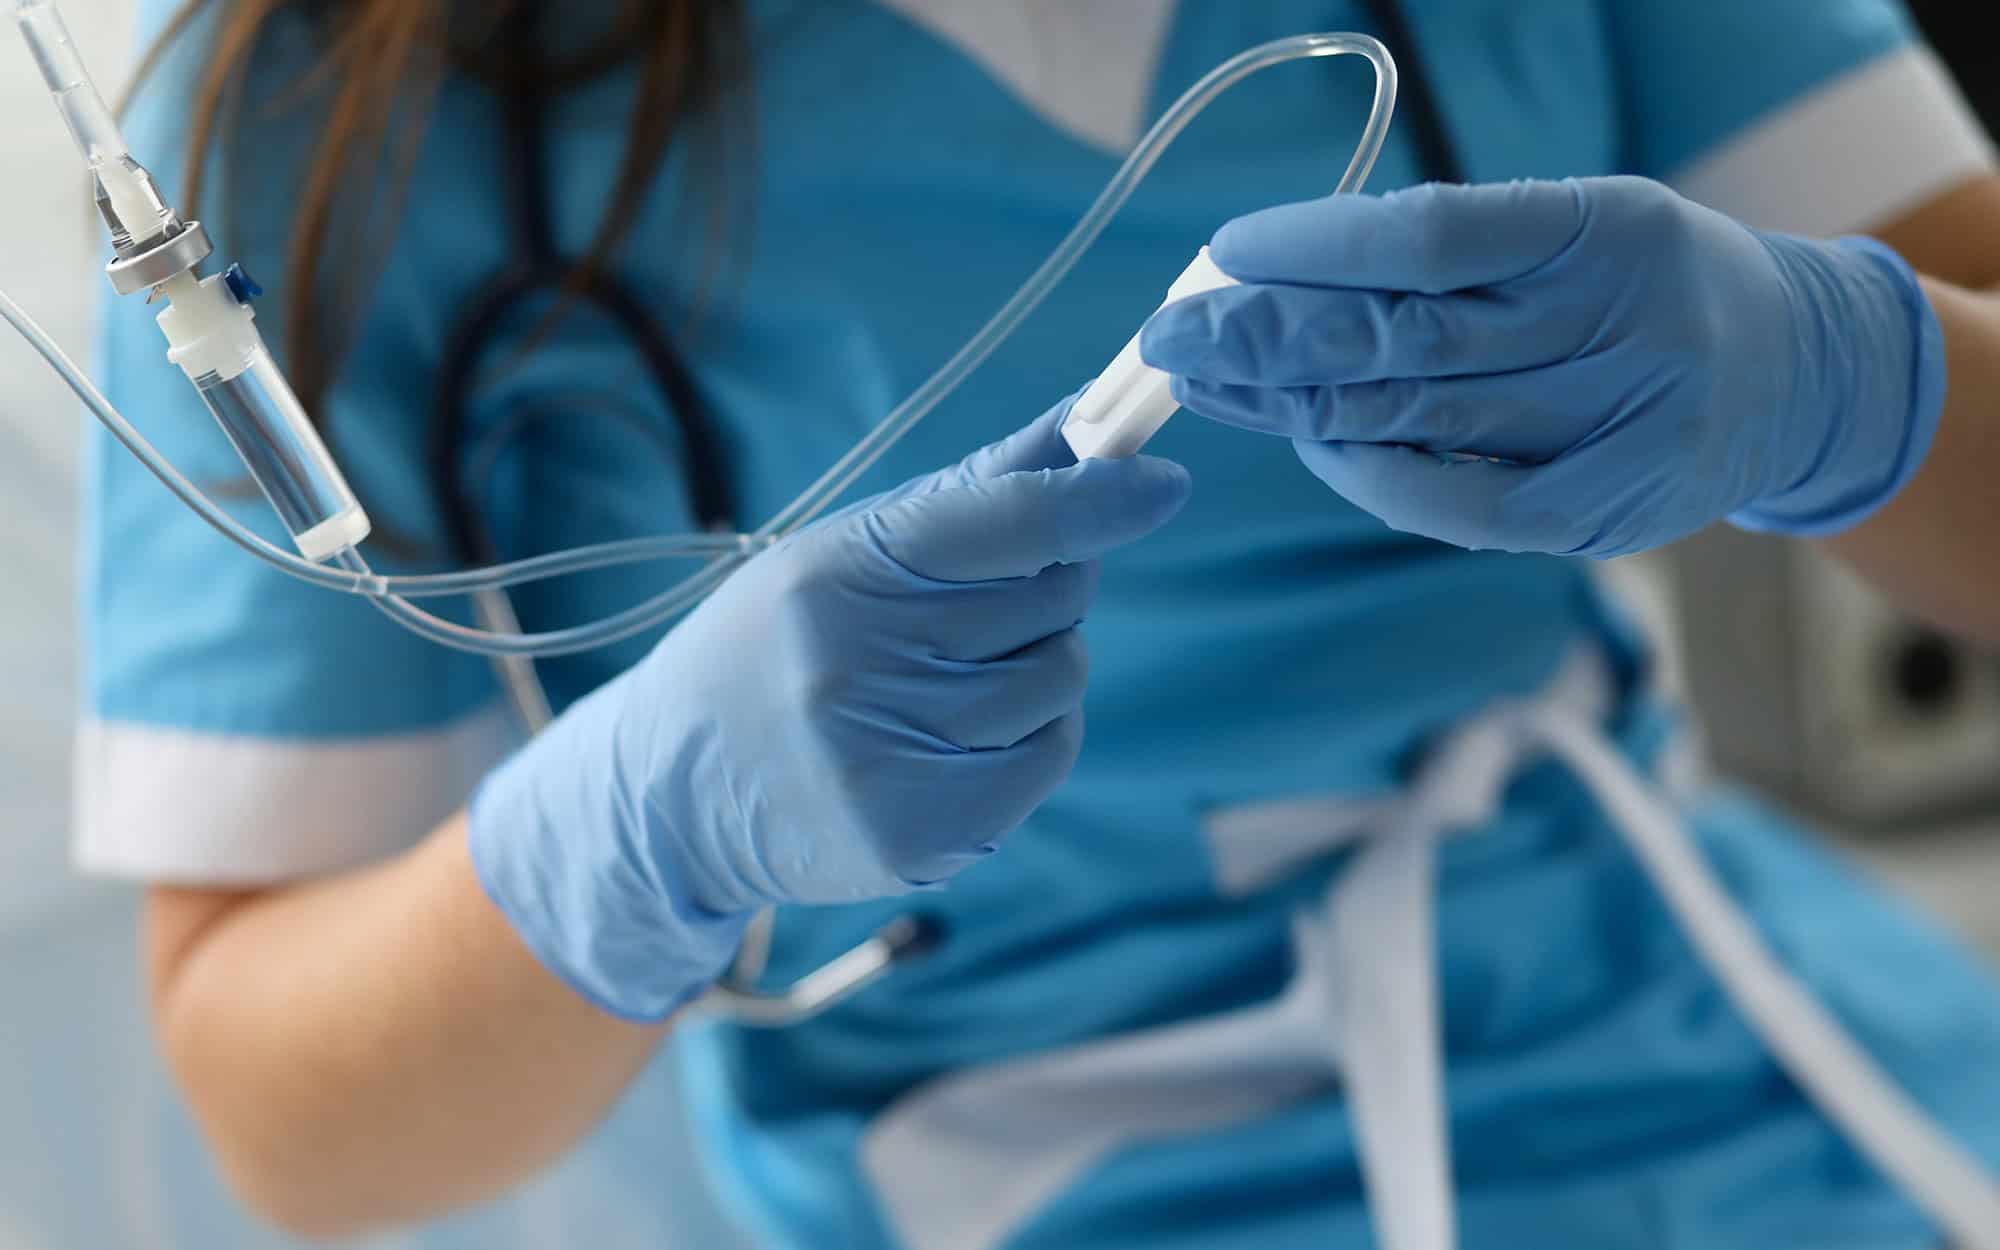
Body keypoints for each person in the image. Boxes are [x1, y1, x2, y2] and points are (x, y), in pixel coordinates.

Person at [79, 0, 2000, 1247]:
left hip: (1749, 1057)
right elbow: (291, 1127)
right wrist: (632, 834)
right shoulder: (313, 127)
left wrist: (1850, 378)